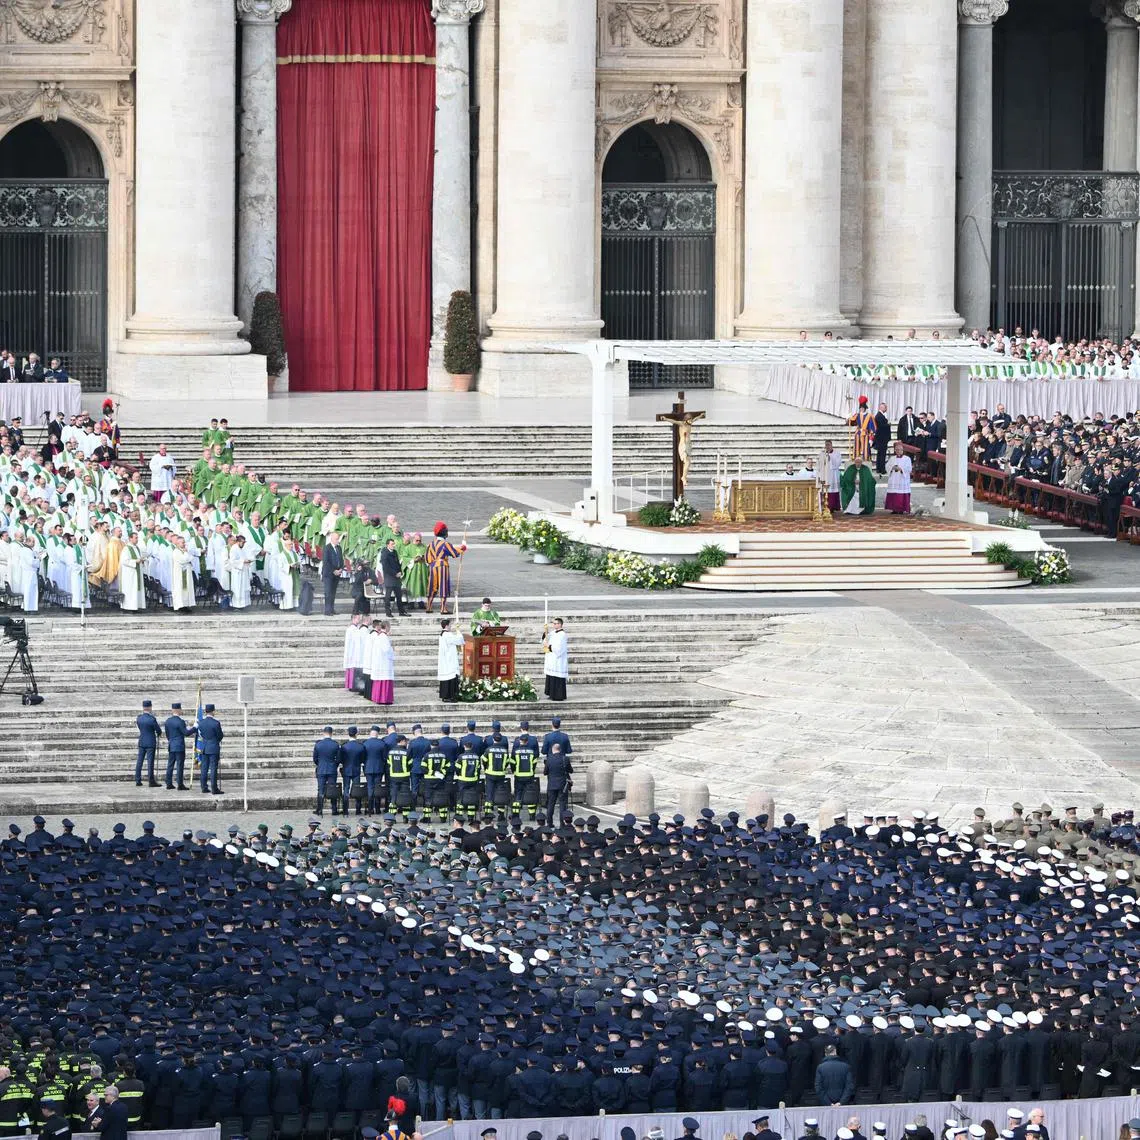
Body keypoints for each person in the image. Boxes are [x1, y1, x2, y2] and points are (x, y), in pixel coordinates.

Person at [425, 522, 465, 615]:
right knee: (443, 586)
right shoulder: (445, 544)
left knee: (432, 587)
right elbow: (454, 553)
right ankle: (443, 608)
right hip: (442, 565)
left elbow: (427, 558)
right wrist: (462, 548)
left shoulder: (430, 544)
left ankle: (429, 607)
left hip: (432, 566)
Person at [163, 701, 195, 790]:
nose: (181, 711)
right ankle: (180, 784)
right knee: (179, 765)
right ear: (178, 710)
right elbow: (186, 733)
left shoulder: (168, 721)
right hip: (179, 746)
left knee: (170, 765)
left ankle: (169, 783)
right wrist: (194, 728)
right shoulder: (180, 721)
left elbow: (167, 734)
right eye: (181, 709)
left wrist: (172, 741)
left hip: (172, 745)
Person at [313, 726, 341, 816]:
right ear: (331, 733)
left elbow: (315, 758)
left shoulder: (318, 744)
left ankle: (320, 810)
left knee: (320, 789)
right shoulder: (335, 744)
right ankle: (334, 809)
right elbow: (338, 759)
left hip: (321, 769)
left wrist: (320, 764)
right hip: (332, 769)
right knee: (332, 789)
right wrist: (334, 765)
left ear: (323, 733)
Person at [197, 703, 223, 794]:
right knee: (213, 768)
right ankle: (214, 788)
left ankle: (204, 787)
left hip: (204, 747)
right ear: (213, 711)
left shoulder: (201, 723)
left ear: (205, 711)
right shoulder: (216, 723)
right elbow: (220, 736)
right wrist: (215, 741)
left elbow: (202, 734)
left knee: (204, 768)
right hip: (213, 747)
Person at [437, 618, 466, 702]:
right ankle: (450, 696)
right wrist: (458, 630)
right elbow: (459, 640)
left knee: (447, 677)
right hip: (449, 660)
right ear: (446, 625)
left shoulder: (442, 634)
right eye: (450, 625)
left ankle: (445, 696)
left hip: (446, 658)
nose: (451, 626)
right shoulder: (448, 635)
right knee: (451, 676)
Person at [135, 699, 161, 787]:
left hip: (142, 741)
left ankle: (138, 780)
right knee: (150, 763)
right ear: (150, 707)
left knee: (139, 761)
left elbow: (140, 727)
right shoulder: (152, 719)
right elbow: (158, 730)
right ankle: (151, 781)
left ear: (143, 708)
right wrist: (159, 733)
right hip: (150, 742)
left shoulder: (139, 718)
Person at [544, 742, 572, 824]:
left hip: (552, 784)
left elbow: (545, 772)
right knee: (562, 805)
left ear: (553, 750)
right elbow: (570, 770)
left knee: (551, 804)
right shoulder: (565, 759)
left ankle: (549, 823)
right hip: (562, 785)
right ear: (560, 750)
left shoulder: (549, 759)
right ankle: (562, 824)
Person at [369, 620, 395, 705]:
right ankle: (385, 699)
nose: (390, 628)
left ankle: (378, 697)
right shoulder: (384, 637)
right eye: (389, 627)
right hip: (384, 663)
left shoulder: (379, 636)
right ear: (386, 627)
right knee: (384, 680)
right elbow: (387, 650)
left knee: (379, 681)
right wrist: (392, 650)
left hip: (379, 662)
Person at [542, 616, 569, 701]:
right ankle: (551, 693)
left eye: (556, 623)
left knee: (557, 677)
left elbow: (560, 648)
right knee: (551, 676)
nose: (554, 625)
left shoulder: (562, 635)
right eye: (554, 623)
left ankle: (558, 695)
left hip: (558, 659)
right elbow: (546, 639)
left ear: (561, 624)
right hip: (551, 658)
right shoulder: (553, 632)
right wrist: (545, 632)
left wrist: (549, 646)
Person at [379, 537, 406, 617]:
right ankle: (388, 612)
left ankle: (401, 611)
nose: (393, 545)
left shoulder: (395, 552)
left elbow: (397, 563)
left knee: (399, 595)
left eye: (394, 544)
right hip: (389, 577)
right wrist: (395, 574)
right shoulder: (384, 553)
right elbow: (386, 567)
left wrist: (400, 571)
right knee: (388, 595)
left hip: (396, 577)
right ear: (388, 545)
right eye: (392, 544)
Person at [884, 443, 913, 514]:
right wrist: (892, 468)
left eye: (900, 450)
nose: (898, 451)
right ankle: (894, 509)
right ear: (895, 450)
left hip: (902, 479)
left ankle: (901, 509)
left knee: (901, 495)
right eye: (897, 450)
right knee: (894, 494)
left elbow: (909, 468)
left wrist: (901, 469)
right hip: (894, 478)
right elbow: (887, 466)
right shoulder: (892, 458)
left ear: (903, 450)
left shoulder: (907, 458)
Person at [321, 531, 345, 615]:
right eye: (336, 539)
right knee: (328, 592)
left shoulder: (339, 548)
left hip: (337, 573)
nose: (338, 540)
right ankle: (327, 610)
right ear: (332, 539)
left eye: (338, 539)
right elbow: (326, 562)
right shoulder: (327, 548)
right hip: (328, 574)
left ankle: (332, 609)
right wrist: (333, 571)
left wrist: (341, 568)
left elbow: (341, 559)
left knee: (333, 592)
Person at [847, 395, 874, 461]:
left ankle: (866, 461)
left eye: (862, 407)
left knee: (866, 450)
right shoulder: (857, 415)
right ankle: (856, 460)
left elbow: (872, 428)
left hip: (866, 434)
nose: (861, 409)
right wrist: (849, 418)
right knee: (856, 448)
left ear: (865, 408)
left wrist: (871, 438)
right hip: (858, 433)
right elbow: (852, 423)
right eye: (860, 408)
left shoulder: (869, 416)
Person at [873, 401, 892, 474]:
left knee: (880, 454)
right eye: (885, 407)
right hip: (881, 438)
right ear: (881, 408)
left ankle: (879, 468)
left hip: (882, 438)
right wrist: (888, 424)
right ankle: (882, 469)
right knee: (882, 454)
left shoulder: (881, 415)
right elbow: (881, 427)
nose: (886, 408)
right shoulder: (879, 416)